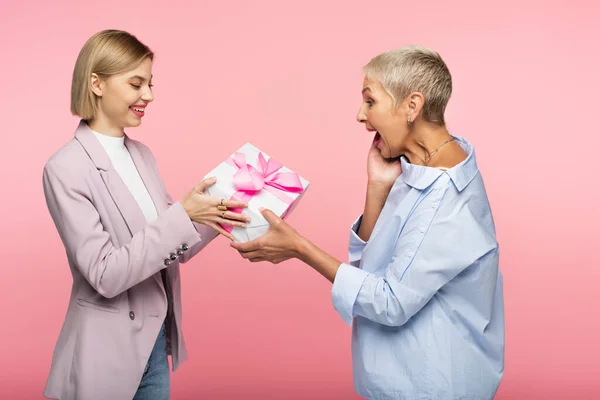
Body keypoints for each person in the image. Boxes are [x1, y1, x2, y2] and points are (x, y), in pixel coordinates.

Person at [232, 45, 505, 399]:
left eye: (370, 101)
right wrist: (377, 188)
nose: (361, 115)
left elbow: (389, 302)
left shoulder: (445, 197)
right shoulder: (426, 163)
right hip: (397, 381)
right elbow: (370, 270)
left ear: (412, 105)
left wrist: (299, 247)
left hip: (430, 387)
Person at [42, 29, 250, 400]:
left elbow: (175, 246)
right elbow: (105, 274)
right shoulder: (65, 168)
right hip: (104, 352)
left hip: (154, 345)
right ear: (97, 84)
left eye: (150, 84)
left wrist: (221, 207)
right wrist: (183, 215)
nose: (148, 96)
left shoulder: (142, 155)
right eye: (136, 83)